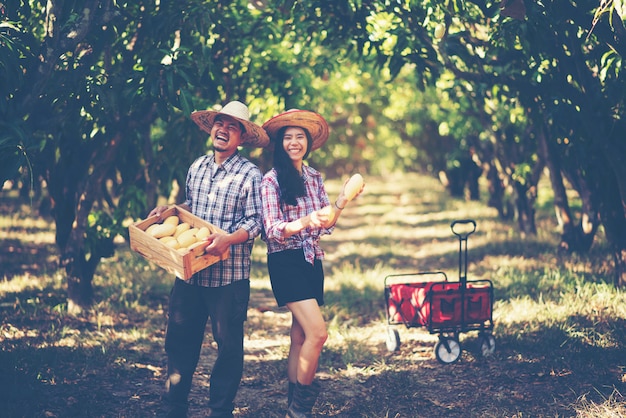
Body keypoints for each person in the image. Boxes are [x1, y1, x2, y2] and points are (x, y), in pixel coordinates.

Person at [149, 100, 269, 418]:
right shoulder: (197, 167)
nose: (224, 130)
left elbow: (256, 221)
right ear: (211, 128)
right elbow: (192, 207)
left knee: (228, 348)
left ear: (241, 138)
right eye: (220, 123)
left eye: (233, 127)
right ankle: (174, 407)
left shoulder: (250, 174)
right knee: (179, 340)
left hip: (228, 277)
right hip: (189, 272)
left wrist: (229, 239)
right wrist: (168, 212)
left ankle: (220, 410)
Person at [260, 109, 364, 418]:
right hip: (285, 261)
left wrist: (341, 202)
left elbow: (326, 224)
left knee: (301, 336)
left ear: (308, 142)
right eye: (288, 138)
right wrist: (304, 221)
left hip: (311, 259)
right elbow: (272, 230)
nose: (294, 142)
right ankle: (300, 409)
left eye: (299, 137)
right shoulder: (271, 180)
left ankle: (292, 403)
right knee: (318, 333)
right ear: (280, 144)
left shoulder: (314, 176)